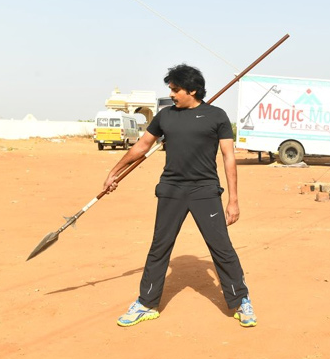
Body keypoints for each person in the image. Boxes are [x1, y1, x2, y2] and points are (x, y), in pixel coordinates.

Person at [104, 64, 256, 327]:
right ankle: (146, 303)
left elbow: (228, 157)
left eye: (175, 89)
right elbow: (142, 145)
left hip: (205, 191)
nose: (171, 94)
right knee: (159, 247)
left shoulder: (217, 116)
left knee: (221, 247)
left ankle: (241, 300)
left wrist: (233, 200)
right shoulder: (165, 116)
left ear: (192, 90)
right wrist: (114, 172)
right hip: (171, 189)